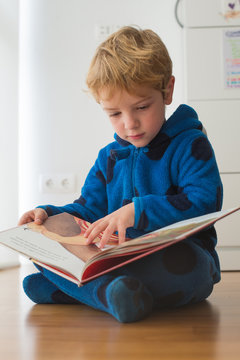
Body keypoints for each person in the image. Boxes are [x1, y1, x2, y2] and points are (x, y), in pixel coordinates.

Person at [19, 26, 223, 323]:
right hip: (114, 259)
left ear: (167, 90)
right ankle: (112, 292)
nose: (130, 124)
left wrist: (138, 211)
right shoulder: (109, 157)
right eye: (114, 114)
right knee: (44, 251)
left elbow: (204, 201)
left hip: (175, 255)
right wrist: (47, 215)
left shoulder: (190, 144)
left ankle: (83, 292)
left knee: (190, 270)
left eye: (141, 107)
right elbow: (87, 209)